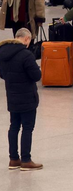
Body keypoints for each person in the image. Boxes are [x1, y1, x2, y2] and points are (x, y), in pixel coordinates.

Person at [1, 28, 43, 171]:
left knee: (14, 126)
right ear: (26, 39)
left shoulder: (2, 52)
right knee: (27, 128)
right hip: (27, 97)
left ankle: (13, 159)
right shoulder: (26, 55)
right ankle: (26, 160)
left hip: (12, 96)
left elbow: (2, 74)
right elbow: (36, 76)